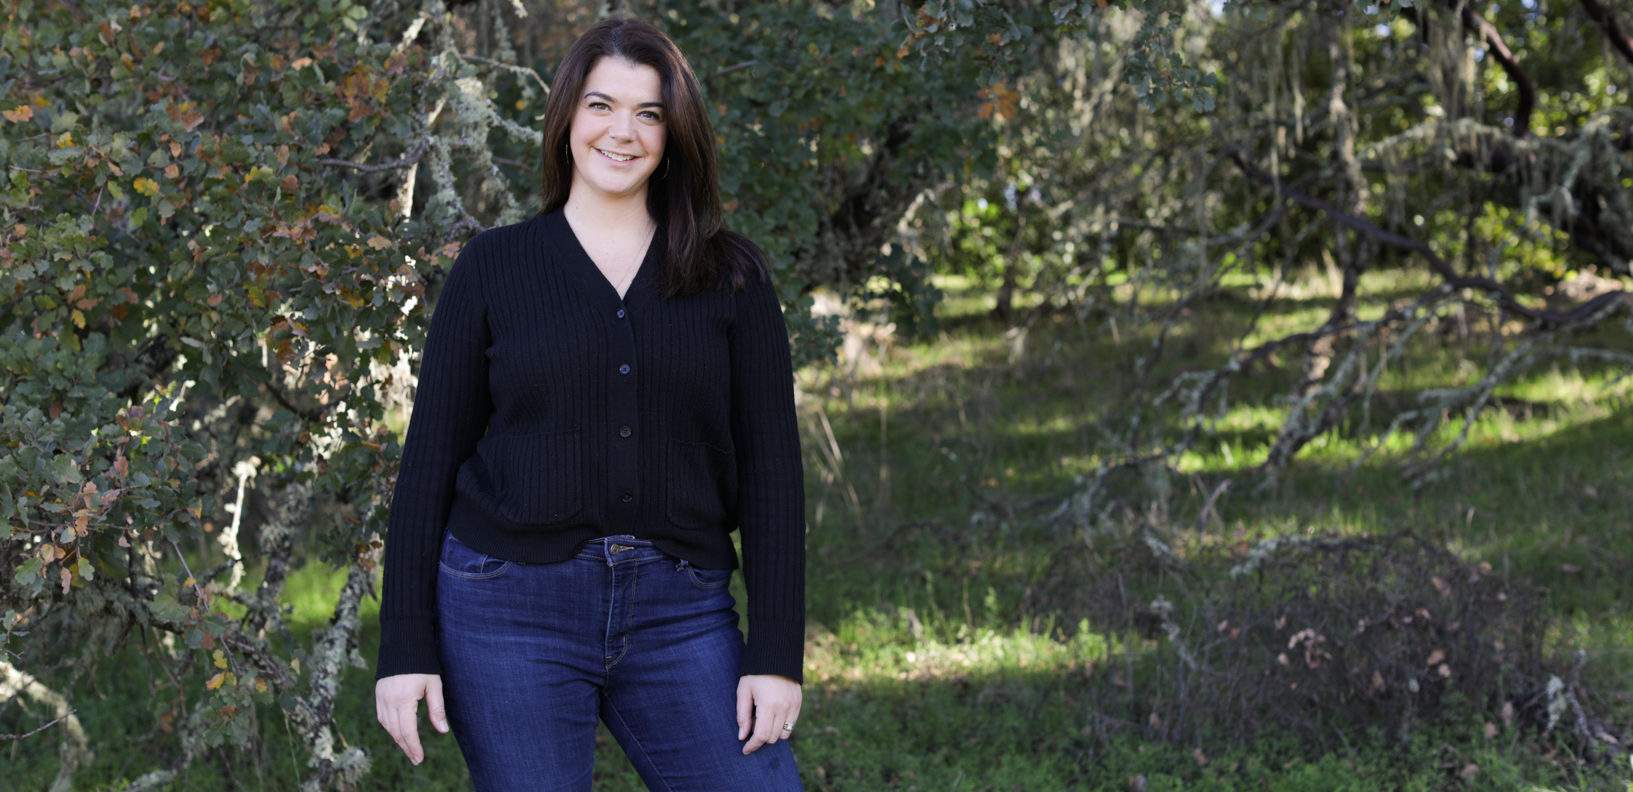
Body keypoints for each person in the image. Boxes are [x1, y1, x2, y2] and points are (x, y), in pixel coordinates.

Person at [373, 17, 806, 791]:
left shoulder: (730, 277)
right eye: (601, 105)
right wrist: (404, 646)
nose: (623, 132)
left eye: (649, 113)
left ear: (675, 135)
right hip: (506, 611)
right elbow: (429, 462)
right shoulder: (492, 269)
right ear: (567, 115)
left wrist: (775, 655)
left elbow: (773, 472)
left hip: (683, 614)